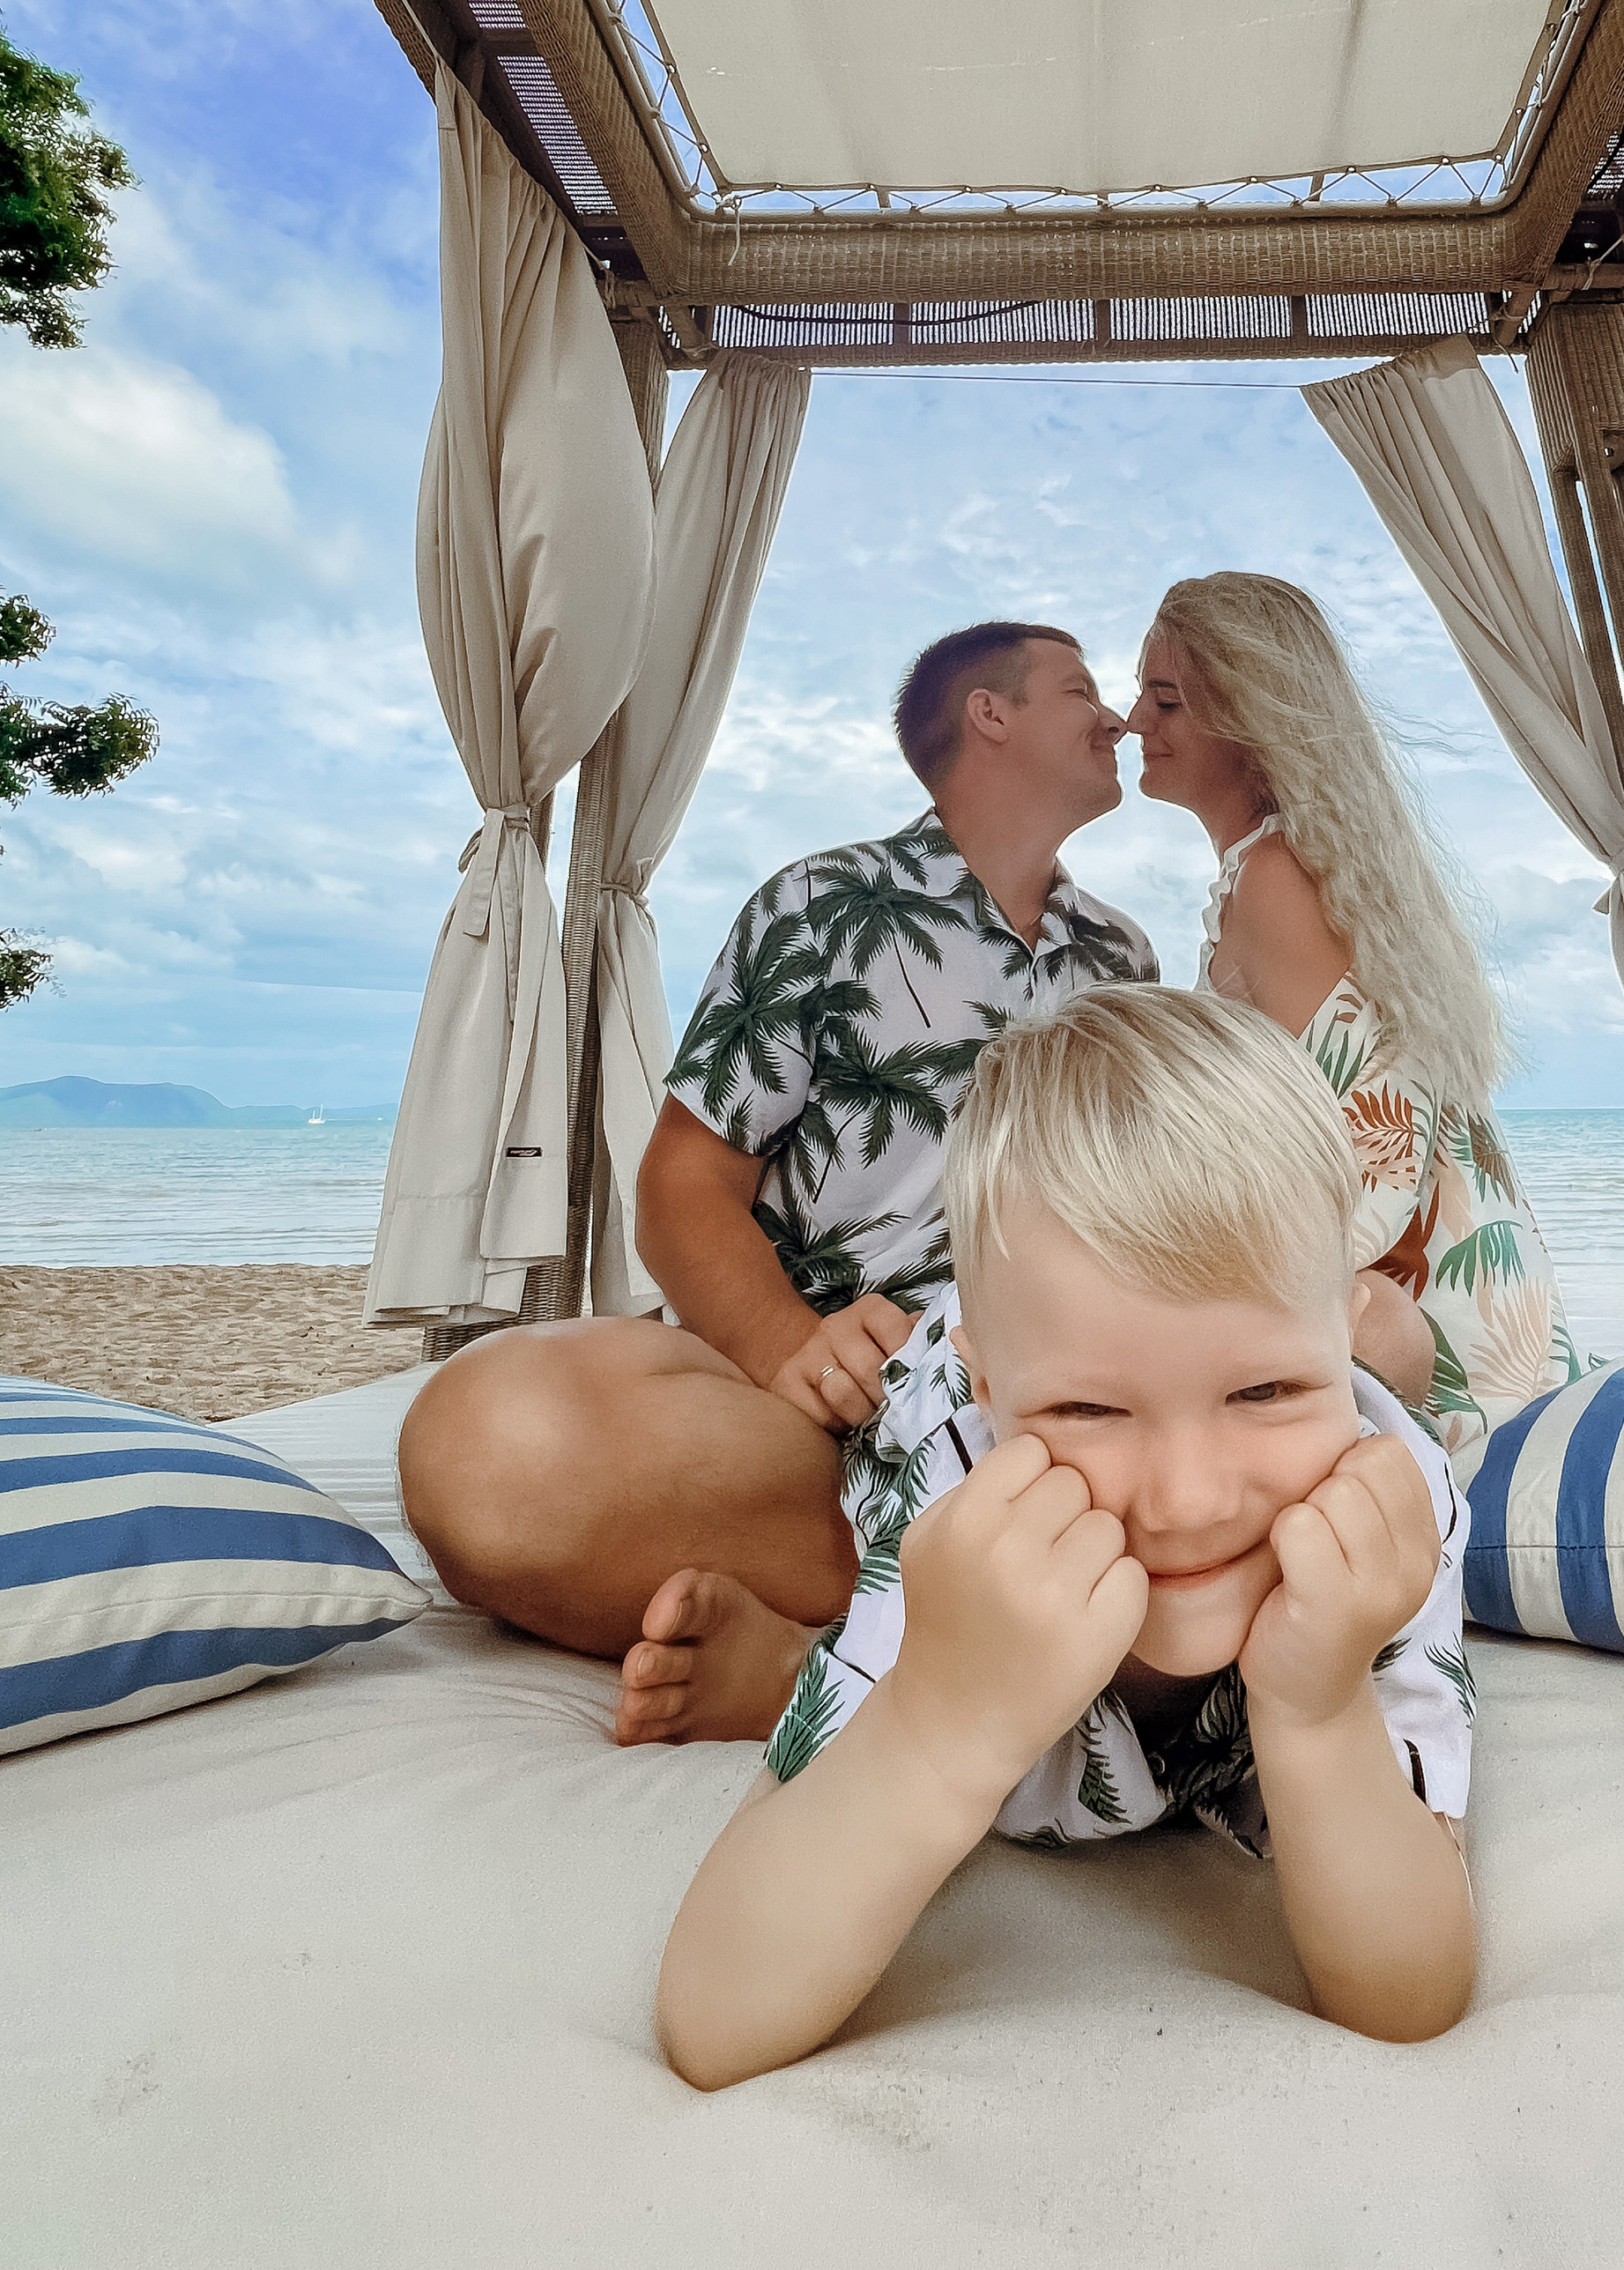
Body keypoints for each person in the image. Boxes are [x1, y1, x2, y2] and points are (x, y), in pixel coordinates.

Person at [654, 986, 1477, 2088]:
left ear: (1340, 1334)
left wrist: (1320, 1708)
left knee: (1413, 1363)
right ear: (995, 1394)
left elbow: (1411, 1993)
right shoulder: (958, 1483)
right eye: (1089, 1410)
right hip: (917, 1392)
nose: (1186, 1499)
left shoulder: (1381, 1497)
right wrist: (935, 1722)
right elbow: (713, 2019)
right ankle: (817, 1666)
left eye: (1267, 1387)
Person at [397, 621, 1157, 1746]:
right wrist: (791, 1350)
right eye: (1082, 689)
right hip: (819, 1408)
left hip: (1049, 1406)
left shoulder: (1123, 963)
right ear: (989, 715)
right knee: (486, 1444)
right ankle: (981, 1599)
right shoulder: (821, 906)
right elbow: (681, 1184)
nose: (1118, 717)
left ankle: (835, 1655)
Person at [1125, 572, 1580, 1471]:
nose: (1136, 720)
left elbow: (1370, 1156)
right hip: (1478, 1305)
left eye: (1166, 699)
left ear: (1249, 716)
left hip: (1433, 1338)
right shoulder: (1285, 868)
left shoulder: (1279, 878)